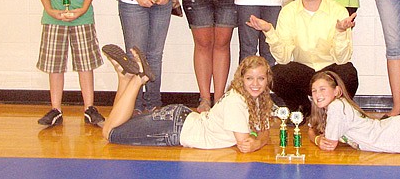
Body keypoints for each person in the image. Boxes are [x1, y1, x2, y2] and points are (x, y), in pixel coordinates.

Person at [102, 44, 272, 151]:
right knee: (110, 132)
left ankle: (124, 78)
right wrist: (259, 141)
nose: (255, 84)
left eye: (261, 78)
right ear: (241, 79)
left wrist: (260, 138)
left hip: (179, 120)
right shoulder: (237, 101)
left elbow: (261, 130)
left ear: (267, 80)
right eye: (250, 78)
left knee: (120, 123)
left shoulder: (255, 98)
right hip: (173, 128)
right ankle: (139, 79)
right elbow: (245, 144)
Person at [246, 0, 358, 119]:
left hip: (330, 71)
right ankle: (303, 109)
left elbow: (342, 59)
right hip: (304, 73)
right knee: (275, 74)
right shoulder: (288, 12)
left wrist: (340, 31)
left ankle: (332, 113)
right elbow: (283, 59)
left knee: (349, 74)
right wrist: (269, 31)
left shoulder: (338, 10)